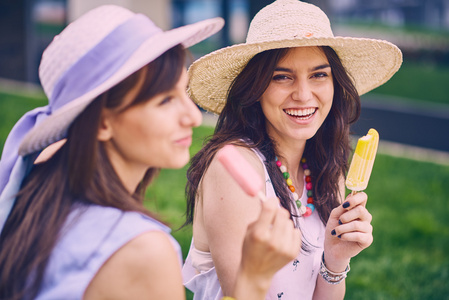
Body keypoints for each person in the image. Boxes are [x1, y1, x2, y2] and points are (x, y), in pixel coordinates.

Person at [0, 5, 301, 300]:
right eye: (164, 101)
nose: (193, 118)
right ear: (103, 121)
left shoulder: (36, 195)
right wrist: (253, 280)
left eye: (183, 93)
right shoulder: (142, 252)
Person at [182, 0, 402, 299]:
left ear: (335, 83)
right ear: (255, 86)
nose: (303, 94)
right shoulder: (235, 167)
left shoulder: (325, 169)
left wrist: (335, 260)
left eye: (319, 75)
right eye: (282, 76)